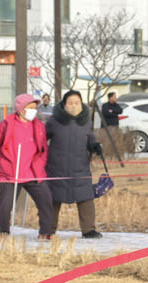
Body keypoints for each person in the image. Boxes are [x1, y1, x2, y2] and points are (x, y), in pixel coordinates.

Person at [0, 93, 57, 242]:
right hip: (10, 172)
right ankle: (3, 232)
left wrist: (40, 163)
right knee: (6, 205)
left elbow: (43, 149)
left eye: (35, 108)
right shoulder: (6, 124)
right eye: (30, 107)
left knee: (46, 200)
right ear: (20, 108)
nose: (33, 111)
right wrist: (4, 163)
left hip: (33, 172)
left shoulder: (39, 125)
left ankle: (45, 232)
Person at [45, 90, 108, 238]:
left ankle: (88, 230)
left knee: (86, 197)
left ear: (81, 104)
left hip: (80, 166)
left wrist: (95, 146)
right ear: (64, 104)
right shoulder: (54, 121)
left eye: (77, 103)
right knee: (53, 199)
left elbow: (90, 139)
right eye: (70, 103)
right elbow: (42, 138)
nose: (73, 105)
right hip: (56, 167)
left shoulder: (86, 121)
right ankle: (48, 229)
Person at [98, 90, 129, 165]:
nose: (116, 98)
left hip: (115, 126)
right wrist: (114, 113)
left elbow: (120, 111)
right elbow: (106, 113)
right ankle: (106, 154)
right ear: (110, 98)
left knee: (115, 140)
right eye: (114, 96)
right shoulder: (105, 105)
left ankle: (114, 154)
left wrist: (112, 111)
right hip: (107, 126)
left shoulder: (116, 105)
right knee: (107, 141)